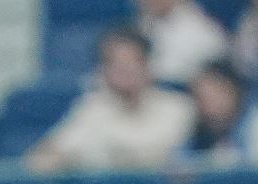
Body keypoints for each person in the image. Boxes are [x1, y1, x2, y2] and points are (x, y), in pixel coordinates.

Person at [26, 27, 194, 174]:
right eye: (115, 62)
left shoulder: (179, 108)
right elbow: (41, 159)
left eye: (132, 61)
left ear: (148, 65)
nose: (125, 69)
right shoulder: (92, 109)